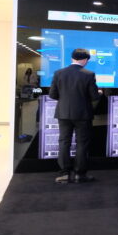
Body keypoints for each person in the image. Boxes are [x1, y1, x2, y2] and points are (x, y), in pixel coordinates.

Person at [49, 48, 101, 183]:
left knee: (64, 142)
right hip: (83, 114)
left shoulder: (59, 73)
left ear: (72, 58)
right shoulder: (89, 74)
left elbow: (52, 95)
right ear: (85, 60)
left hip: (63, 113)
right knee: (82, 143)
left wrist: (65, 98)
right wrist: (99, 93)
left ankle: (64, 174)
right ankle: (79, 174)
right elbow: (94, 96)